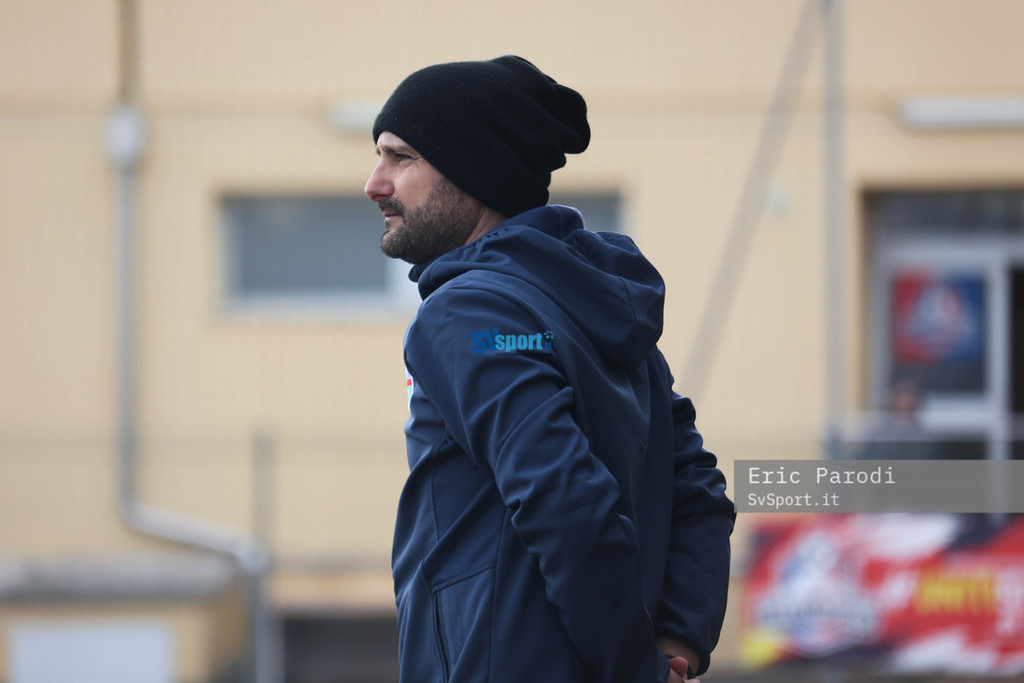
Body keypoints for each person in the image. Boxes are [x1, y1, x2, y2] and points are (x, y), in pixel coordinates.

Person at [364, 55, 735, 683]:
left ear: (475, 170)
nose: (375, 183)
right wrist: (677, 645)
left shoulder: (469, 312)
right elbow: (696, 488)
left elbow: (564, 502)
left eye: (401, 158)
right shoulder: (588, 304)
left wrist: (637, 671)